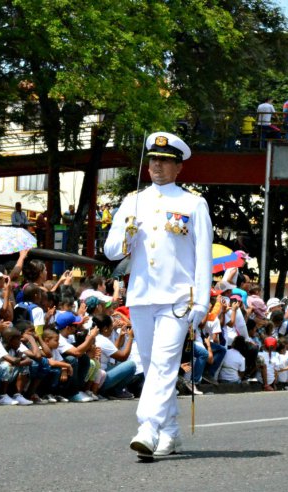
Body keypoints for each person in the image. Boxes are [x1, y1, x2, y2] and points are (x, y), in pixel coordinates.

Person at [103, 131, 213, 458]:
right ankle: (171, 430)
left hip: (178, 297)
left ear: (179, 167)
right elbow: (111, 252)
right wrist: (126, 231)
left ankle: (148, 427)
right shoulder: (132, 201)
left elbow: (203, 256)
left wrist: (201, 301)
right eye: (153, 160)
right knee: (154, 367)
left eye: (165, 161)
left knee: (165, 364)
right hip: (140, 296)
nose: (157, 166)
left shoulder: (192, 203)